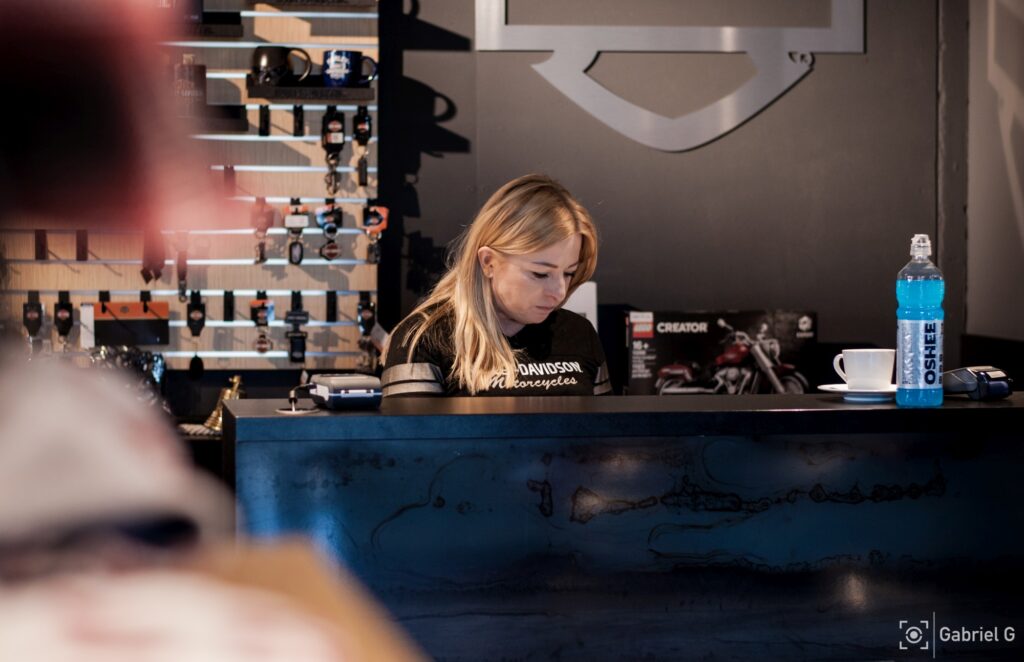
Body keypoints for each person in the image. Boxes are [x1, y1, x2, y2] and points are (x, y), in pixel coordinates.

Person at [381, 174, 612, 397]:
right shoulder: (423, 340)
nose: (559, 292)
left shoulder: (580, 334)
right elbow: (412, 426)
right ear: (488, 262)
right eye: (540, 274)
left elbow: (605, 423)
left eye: (569, 273)